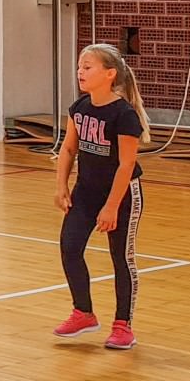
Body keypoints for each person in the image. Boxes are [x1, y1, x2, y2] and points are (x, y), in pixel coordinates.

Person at [51, 44, 147, 351]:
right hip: (86, 191)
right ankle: (83, 312)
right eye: (80, 66)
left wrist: (111, 206)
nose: (80, 71)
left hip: (122, 194)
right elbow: (68, 148)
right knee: (69, 247)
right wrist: (61, 185)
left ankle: (123, 325)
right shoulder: (80, 108)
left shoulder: (123, 114)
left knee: (121, 258)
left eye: (88, 66)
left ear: (109, 74)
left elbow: (126, 163)